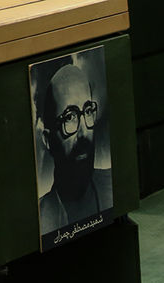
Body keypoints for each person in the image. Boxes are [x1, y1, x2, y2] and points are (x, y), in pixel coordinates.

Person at [38, 63, 113, 235]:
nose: (83, 133)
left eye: (88, 111)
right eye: (70, 117)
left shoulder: (113, 185)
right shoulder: (40, 221)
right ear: (48, 140)